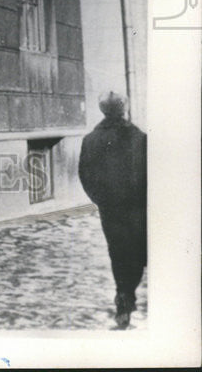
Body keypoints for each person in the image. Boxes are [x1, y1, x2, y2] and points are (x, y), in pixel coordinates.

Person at [78, 91, 147, 329]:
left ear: (103, 111)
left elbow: (85, 176)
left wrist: (101, 201)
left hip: (111, 210)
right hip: (139, 208)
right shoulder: (140, 138)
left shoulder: (90, 140)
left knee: (118, 254)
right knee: (138, 254)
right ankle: (128, 295)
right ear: (124, 109)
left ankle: (124, 297)